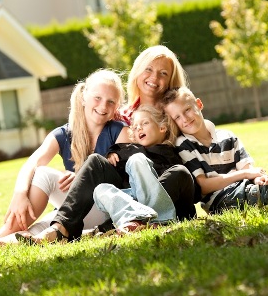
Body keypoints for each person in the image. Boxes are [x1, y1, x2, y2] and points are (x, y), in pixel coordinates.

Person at [16, 45, 191, 243]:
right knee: (93, 165)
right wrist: (88, 173)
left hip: (163, 186)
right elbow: (116, 162)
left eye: (163, 73)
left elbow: (197, 136)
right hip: (125, 190)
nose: (154, 77)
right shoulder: (121, 115)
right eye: (148, 69)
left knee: (174, 172)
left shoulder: (175, 113)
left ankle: (107, 226)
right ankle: (54, 230)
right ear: (138, 72)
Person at [0, 69, 129, 245]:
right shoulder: (64, 134)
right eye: (98, 98)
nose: (103, 106)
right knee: (40, 229)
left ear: (116, 106)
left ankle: (1, 236)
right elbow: (32, 163)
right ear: (83, 97)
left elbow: (126, 184)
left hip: (106, 209)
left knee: (45, 176)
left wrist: (83, 180)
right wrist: (20, 195)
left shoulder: (120, 132)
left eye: (111, 102)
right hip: (75, 211)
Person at [160, 86, 268, 212]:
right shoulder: (184, 144)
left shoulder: (227, 136)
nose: (185, 119)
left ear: (199, 104)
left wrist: (257, 178)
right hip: (223, 199)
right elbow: (204, 186)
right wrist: (245, 175)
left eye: (187, 110)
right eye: (177, 117)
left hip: (245, 187)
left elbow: (248, 169)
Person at [92, 104, 195, 234]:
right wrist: (111, 154)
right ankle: (134, 219)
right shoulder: (128, 151)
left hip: (165, 201)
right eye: (135, 127)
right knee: (100, 189)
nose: (139, 127)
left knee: (172, 170)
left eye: (145, 123)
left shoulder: (169, 153)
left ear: (162, 128)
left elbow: (177, 186)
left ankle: (156, 220)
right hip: (136, 200)